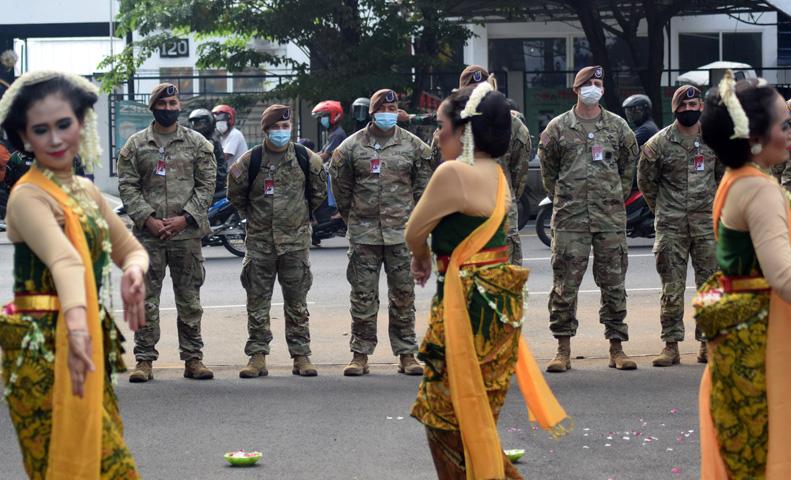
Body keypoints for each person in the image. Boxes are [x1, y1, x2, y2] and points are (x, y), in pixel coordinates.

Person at [406, 78, 570, 480]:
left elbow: (414, 231)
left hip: (467, 309)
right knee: (475, 417)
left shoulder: (452, 173)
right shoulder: (496, 173)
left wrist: (421, 258)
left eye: (441, 127)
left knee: (445, 419)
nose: (437, 135)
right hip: (499, 311)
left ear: (463, 132)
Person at [0, 70, 148, 478]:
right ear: (25, 138)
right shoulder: (27, 195)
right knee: (71, 464)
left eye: (64, 125)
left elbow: (131, 249)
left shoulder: (87, 192)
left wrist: (134, 273)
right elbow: (65, 260)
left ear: (81, 124)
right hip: (41, 345)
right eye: (40, 130)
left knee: (105, 459)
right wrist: (79, 327)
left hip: (85, 339)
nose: (54, 139)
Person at [694, 71, 791, 479]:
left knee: (747, 452)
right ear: (754, 136)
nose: (790, 132)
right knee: (766, 452)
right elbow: (783, 277)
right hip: (765, 339)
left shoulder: (736, 180)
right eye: (784, 124)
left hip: (744, 336)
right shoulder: (760, 189)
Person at [538, 65, 639, 372]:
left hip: (609, 217)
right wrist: (566, 196)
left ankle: (617, 348)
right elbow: (548, 171)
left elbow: (629, 163)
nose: (594, 87)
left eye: (598, 82)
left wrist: (615, 193)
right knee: (564, 285)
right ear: (576, 90)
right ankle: (563, 349)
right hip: (570, 219)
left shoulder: (618, 127)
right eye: (587, 83)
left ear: (603, 90)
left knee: (614, 284)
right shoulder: (557, 128)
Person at [118, 83, 217, 382]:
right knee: (146, 299)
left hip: (185, 236)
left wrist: (185, 218)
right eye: (164, 104)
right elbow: (127, 185)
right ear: (153, 108)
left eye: (174, 103)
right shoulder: (135, 145)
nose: (169, 108)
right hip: (148, 236)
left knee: (189, 300)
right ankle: (144, 361)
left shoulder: (197, 143)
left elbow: (206, 185)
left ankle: (193, 359)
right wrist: (147, 219)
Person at [330, 88, 432, 376]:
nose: (388, 114)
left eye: (393, 109)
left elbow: (423, 189)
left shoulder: (414, 146)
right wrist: (354, 218)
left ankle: (407, 354)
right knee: (362, 296)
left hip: (402, 235)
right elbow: (341, 188)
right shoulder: (350, 147)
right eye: (383, 110)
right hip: (364, 236)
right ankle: (360, 354)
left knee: (403, 295)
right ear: (372, 113)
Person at [227, 104, 327, 378]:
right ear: (266, 130)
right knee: (257, 303)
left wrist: (299, 217)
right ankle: (257, 357)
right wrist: (252, 216)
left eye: (286, 127)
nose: (282, 132)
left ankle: (301, 355)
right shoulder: (251, 160)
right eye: (276, 128)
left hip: (295, 243)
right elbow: (236, 194)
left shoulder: (307, 158)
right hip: (260, 244)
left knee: (297, 303)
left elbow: (317, 193)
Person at [637, 85, 723, 367]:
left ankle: (707, 344)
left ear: (701, 107)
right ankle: (670, 345)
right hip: (671, 227)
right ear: (675, 110)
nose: (690, 110)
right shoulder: (658, 143)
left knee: (709, 287)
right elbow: (646, 183)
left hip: (706, 226)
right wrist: (663, 209)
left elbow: (723, 178)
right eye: (683, 107)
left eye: (694, 105)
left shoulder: (714, 139)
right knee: (671, 289)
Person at [429, 65, 532, 266]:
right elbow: (435, 164)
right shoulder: (449, 125)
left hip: (499, 216)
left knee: (503, 286)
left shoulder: (513, 125)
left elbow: (519, 172)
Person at [312, 100, 347, 218]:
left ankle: (335, 208)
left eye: (324, 116)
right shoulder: (332, 133)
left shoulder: (337, 134)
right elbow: (321, 152)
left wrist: (311, 160)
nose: (321, 120)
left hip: (337, 167)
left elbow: (325, 155)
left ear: (334, 116)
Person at [189, 108, 227, 194]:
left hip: (214, 183)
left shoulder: (210, 141)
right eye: (194, 124)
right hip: (211, 180)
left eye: (199, 124)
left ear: (208, 122)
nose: (196, 127)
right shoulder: (206, 138)